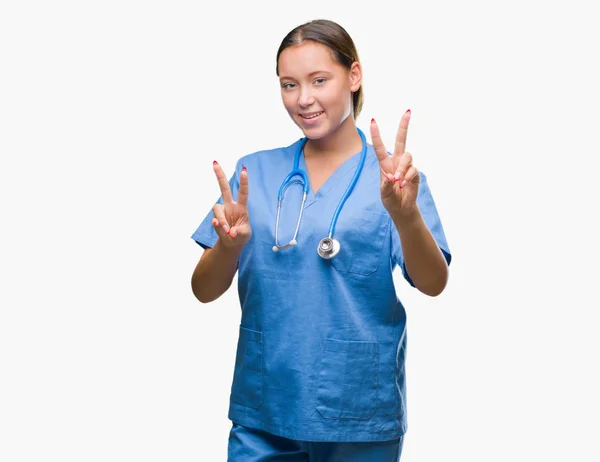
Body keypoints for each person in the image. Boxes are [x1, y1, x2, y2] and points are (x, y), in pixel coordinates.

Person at [190, 18, 451, 462]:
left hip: (357, 412)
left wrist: (406, 217)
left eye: (319, 80)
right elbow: (202, 290)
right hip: (264, 407)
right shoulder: (256, 173)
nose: (303, 99)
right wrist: (229, 247)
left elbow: (432, 282)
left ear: (354, 76)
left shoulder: (394, 180)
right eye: (289, 85)